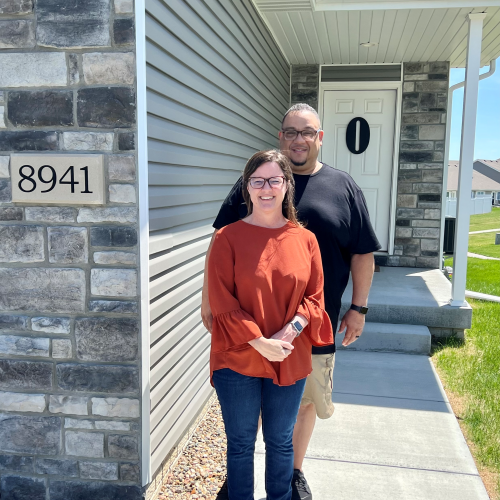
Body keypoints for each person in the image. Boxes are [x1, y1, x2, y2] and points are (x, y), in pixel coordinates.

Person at [203, 103, 381, 500]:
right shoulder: (231, 230)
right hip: (243, 345)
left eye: (307, 132)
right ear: (249, 186)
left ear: (319, 137)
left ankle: (290, 478)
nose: (298, 139)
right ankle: (241, 483)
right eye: (290, 132)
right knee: (242, 437)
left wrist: (356, 308)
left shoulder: (337, 195)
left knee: (297, 416)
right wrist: (216, 309)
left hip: (302, 337)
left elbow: (358, 256)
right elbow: (220, 277)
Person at [208, 149, 333, 500]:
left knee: (280, 441)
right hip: (237, 357)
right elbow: (221, 301)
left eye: (274, 180)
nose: (266, 188)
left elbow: (315, 298)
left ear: (286, 185)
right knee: (241, 443)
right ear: (247, 187)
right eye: (257, 181)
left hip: (288, 354)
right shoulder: (227, 238)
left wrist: (287, 333)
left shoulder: (305, 239)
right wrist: (259, 342)